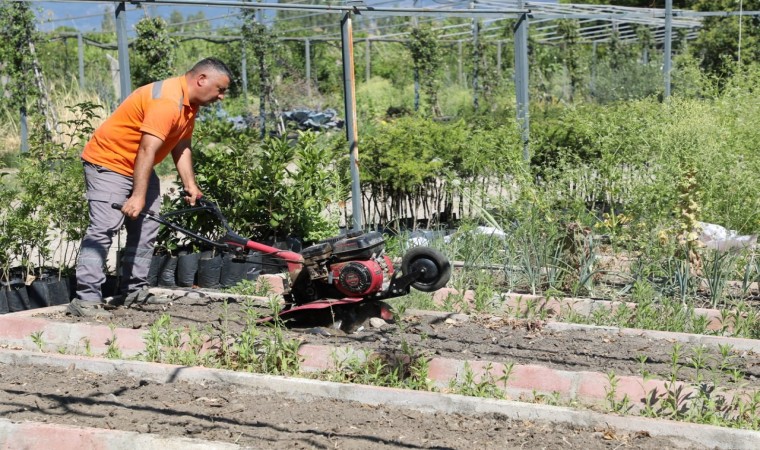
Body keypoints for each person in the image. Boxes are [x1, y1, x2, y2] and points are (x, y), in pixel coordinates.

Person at [67, 57, 232, 317]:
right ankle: (85, 300)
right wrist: (137, 195)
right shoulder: (167, 101)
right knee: (103, 229)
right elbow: (146, 150)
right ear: (202, 79)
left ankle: (134, 290)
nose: (221, 96)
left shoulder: (189, 104)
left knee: (146, 227)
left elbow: (181, 145)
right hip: (108, 163)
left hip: (136, 164)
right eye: (220, 89)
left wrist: (191, 185)